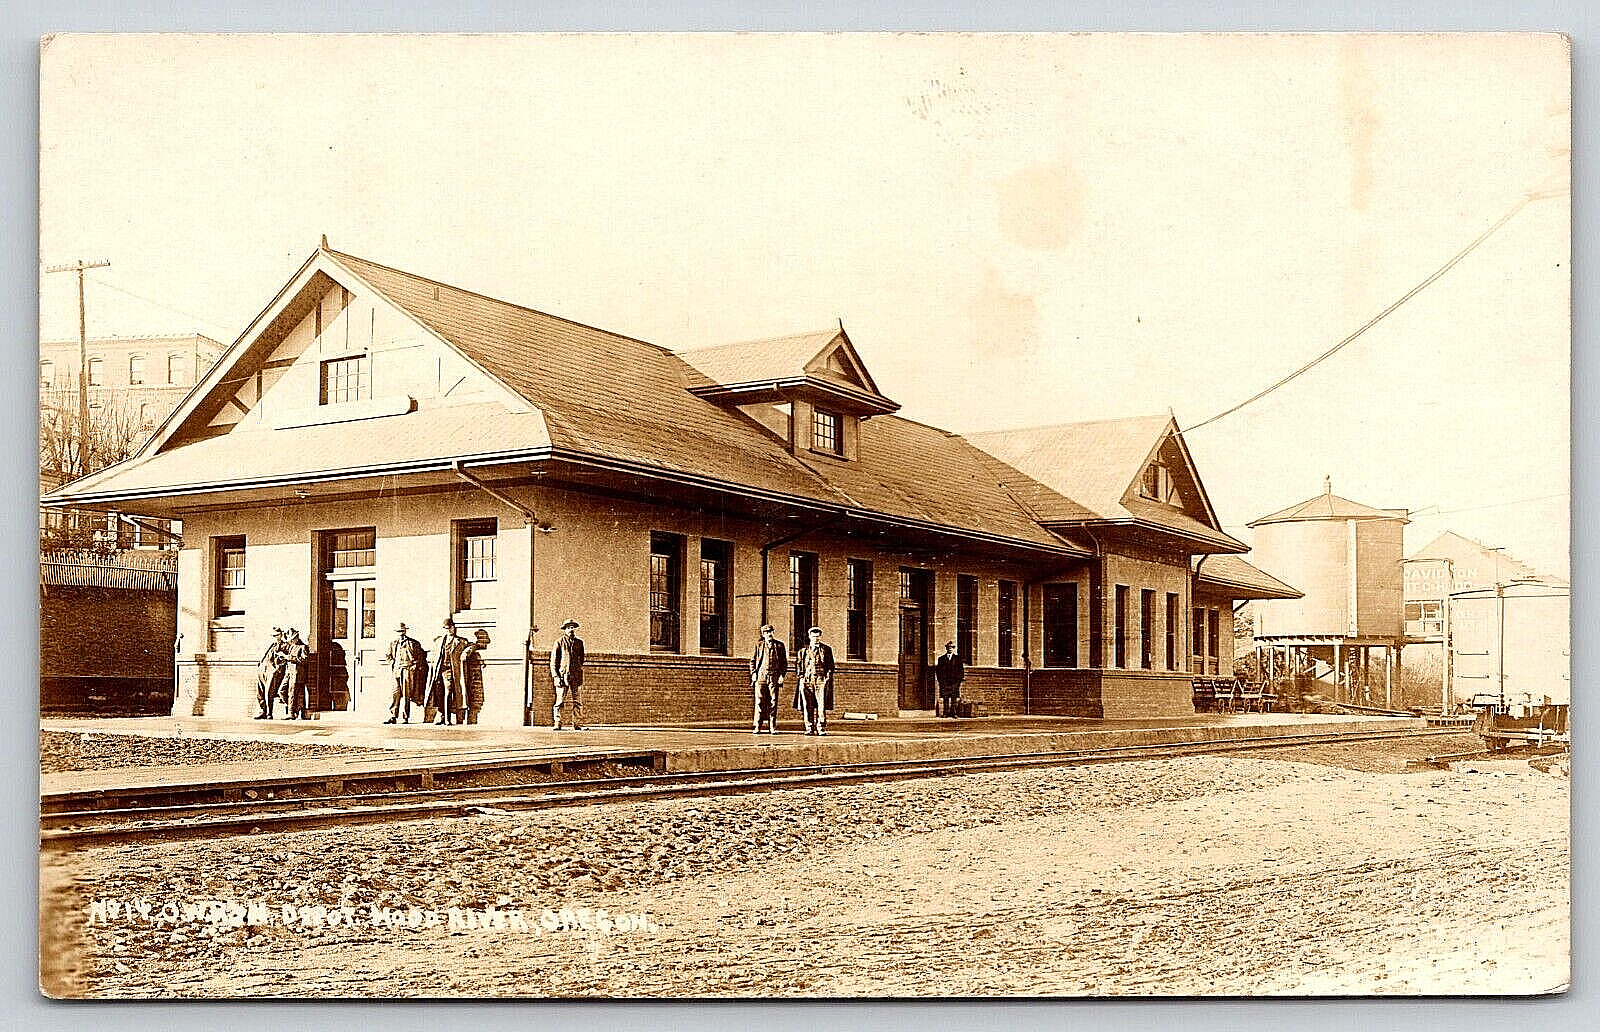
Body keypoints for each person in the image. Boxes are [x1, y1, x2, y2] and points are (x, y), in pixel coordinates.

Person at [427, 618, 472, 725]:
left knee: (448, 692)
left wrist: (466, 652)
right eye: (446, 628)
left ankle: (447, 718)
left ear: (454, 628)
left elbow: (472, 645)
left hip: (450, 671)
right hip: (438, 670)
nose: (449, 630)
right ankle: (441, 715)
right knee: (438, 693)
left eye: (450, 628)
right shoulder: (438, 641)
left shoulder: (460, 641)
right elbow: (432, 652)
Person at [793, 626, 835, 736]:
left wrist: (827, 678)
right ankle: (809, 727)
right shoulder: (803, 651)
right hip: (807, 681)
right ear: (809, 637)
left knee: (821, 705)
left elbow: (831, 666)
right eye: (813, 636)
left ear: (820, 637)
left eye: (817, 636)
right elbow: (798, 665)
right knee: (807, 705)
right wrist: (801, 677)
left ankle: (820, 727)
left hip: (820, 681)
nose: (815, 638)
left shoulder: (826, 649)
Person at [383, 622, 426, 724]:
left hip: (407, 670)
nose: (401, 633)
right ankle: (393, 716)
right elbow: (388, 656)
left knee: (407, 694)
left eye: (402, 631)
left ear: (405, 631)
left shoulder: (413, 643)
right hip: (396, 670)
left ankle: (405, 717)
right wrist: (392, 663)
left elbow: (421, 656)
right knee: (395, 693)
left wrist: (415, 665)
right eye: (398, 631)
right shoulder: (393, 643)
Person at [749, 623, 787, 734]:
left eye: (770, 632)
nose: (768, 634)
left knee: (773, 701)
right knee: (759, 701)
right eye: (766, 632)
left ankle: (772, 726)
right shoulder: (759, 645)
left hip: (774, 677)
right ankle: (758, 726)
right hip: (761, 676)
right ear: (763, 634)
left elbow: (784, 663)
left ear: (773, 633)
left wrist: (782, 675)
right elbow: (752, 661)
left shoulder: (779, 646)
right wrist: (753, 673)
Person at [550, 619, 586, 730]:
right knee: (560, 701)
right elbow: (554, 661)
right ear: (565, 629)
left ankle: (577, 724)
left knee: (577, 701)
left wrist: (577, 670)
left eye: (573, 627)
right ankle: (558, 722)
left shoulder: (579, 643)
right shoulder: (559, 642)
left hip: (576, 677)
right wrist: (556, 676)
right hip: (562, 676)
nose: (571, 629)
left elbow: (582, 659)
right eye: (569, 627)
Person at [279, 628, 311, 720]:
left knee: (292, 693)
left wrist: (288, 657)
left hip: (297, 674)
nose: (291, 641)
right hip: (289, 673)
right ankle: (294, 708)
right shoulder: (292, 646)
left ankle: (291, 713)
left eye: (292, 639)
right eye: (290, 640)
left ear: (297, 638)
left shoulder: (303, 647)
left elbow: (304, 660)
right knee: (281, 691)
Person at [254, 627, 285, 719]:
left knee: (269, 692)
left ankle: (269, 713)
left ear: (281, 635)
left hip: (272, 672)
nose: (275, 637)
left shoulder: (284, 646)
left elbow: (284, 660)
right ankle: (263, 710)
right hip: (263, 670)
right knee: (260, 692)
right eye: (274, 635)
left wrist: (277, 669)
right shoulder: (272, 645)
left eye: (277, 635)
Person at [463, 629, 491, 725]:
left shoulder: (474, 648)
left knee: (475, 700)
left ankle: (471, 720)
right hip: (470, 677)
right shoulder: (469, 646)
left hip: (475, 678)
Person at [935, 641, 965, 718]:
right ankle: (946, 713)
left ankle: (953, 713)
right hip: (945, 682)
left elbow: (961, 671)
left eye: (952, 648)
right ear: (946, 648)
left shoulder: (958, 659)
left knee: (954, 698)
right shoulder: (941, 659)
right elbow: (938, 671)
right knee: (945, 698)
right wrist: (941, 681)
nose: (950, 649)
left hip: (954, 682)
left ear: (953, 649)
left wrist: (958, 681)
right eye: (949, 648)